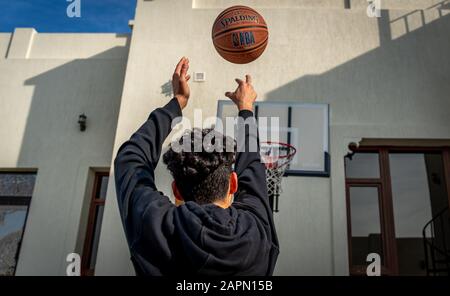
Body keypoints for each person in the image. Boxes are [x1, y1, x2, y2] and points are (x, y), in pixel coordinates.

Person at [114, 57, 279, 275]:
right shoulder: (256, 231)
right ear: (233, 183)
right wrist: (246, 108)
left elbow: (130, 158)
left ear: (176, 190)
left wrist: (177, 102)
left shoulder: (153, 224)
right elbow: (251, 164)